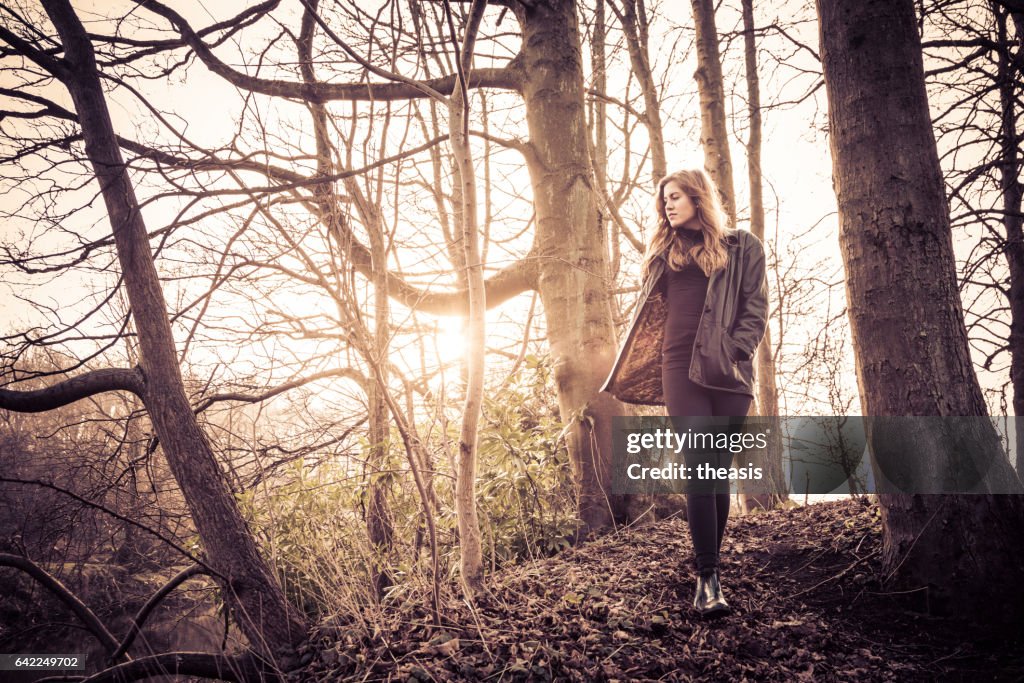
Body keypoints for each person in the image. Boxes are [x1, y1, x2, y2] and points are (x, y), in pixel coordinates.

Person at [600, 168, 769, 618]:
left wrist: (735, 350)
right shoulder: (662, 255)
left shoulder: (742, 246)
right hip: (678, 369)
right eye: (664, 200)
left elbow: (756, 307)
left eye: (675, 196)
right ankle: (707, 579)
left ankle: (710, 567)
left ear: (698, 197)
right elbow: (648, 318)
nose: (667, 205)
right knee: (699, 467)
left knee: (717, 473)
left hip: (730, 372)